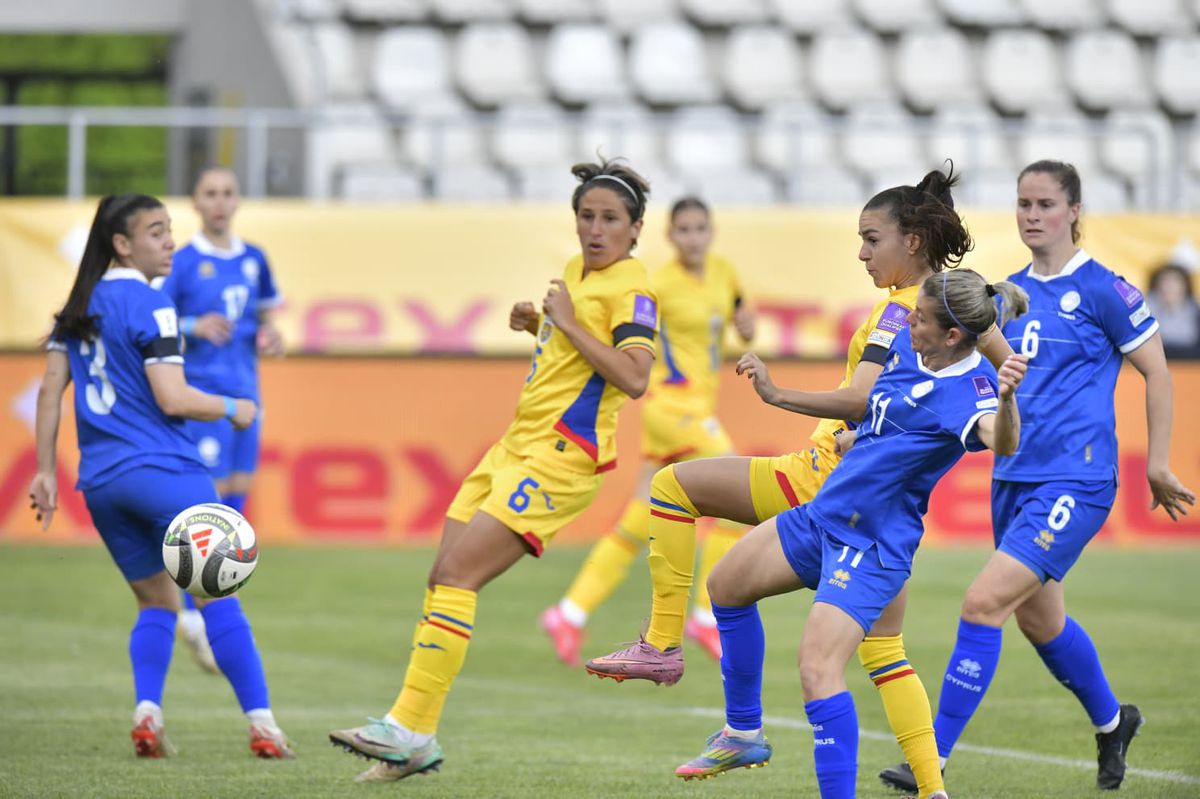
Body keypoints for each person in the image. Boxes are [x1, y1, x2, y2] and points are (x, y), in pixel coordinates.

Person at [587, 167, 1008, 798]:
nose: (861, 252)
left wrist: (779, 394)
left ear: (912, 241)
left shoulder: (904, 314)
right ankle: (931, 787)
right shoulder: (944, 302)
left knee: (673, 489)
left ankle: (671, 652)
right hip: (854, 490)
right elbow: (964, 358)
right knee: (882, 652)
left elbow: (860, 397)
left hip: (823, 484)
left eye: (871, 238)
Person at [329, 158, 660, 783]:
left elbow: (635, 376)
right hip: (514, 445)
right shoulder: (575, 273)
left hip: (563, 457)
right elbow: (577, 355)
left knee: (458, 573)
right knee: (442, 577)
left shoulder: (633, 288)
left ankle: (405, 725)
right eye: (586, 216)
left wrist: (563, 324)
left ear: (636, 229)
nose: (595, 229)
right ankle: (418, 739)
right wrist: (542, 328)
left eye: (610, 219)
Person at [879, 160, 1196, 794]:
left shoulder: (1105, 289)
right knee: (1039, 622)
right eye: (1024, 203)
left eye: (1046, 204)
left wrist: (1158, 461)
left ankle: (930, 760)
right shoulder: (1005, 295)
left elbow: (1158, 373)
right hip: (1012, 474)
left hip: (1076, 479)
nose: (1032, 214)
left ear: (1074, 211)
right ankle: (1113, 724)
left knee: (983, 603)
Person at [675, 270, 1028, 798]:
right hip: (826, 516)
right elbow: (890, 419)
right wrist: (855, 441)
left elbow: (1001, 442)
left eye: (920, 316)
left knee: (819, 667)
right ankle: (745, 731)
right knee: (725, 586)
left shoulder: (974, 390)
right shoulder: (910, 353)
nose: (908, 319)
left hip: (872, 545)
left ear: (952, 335)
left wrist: (1007, 398)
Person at [27, 193, 293, 760]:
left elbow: (51, 392)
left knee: (156, 604)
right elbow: (172, 399)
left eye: (169, 230)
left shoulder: (75, 311)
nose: (169, 240)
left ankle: (147, 714)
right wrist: (232, 408)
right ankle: (264, 727)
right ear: (122, 244)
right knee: (219, 600)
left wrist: (46, 471)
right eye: (155, 232)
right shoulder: (151, 304)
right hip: (167, 473)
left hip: (102, 485)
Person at [540, 196, 755, 666]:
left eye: (700, 229)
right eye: (684, 230)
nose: (693, 238)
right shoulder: (659, 285)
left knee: (642, 517)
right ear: (670, 235)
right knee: (742, 494)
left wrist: (747, 325)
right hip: (668, 405)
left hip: (698, 406)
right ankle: (705, 615)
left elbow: (739, 315)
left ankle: (569, 612)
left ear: (711, 232)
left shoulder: (723, 273)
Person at [155, 167, 284, 673]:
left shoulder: (254, 259)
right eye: (210, 194)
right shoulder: (183, 263)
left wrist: (272, 338)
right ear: (194, 202)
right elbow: (158, 326)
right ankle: (192, 613)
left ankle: (213, 606)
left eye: (228, 193)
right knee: (203, 508)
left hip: (246, 397)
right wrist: (192, 325)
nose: (220, 202)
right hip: (201, 399)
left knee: (235, 506)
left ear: (237, 200)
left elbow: (264, 322)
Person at [1145, 262, 1200, 359]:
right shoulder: (1143, 312)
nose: (1170, 286)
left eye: (1176, 281)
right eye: (1165, 281)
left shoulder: (1195, 312)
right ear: (1156, 286)